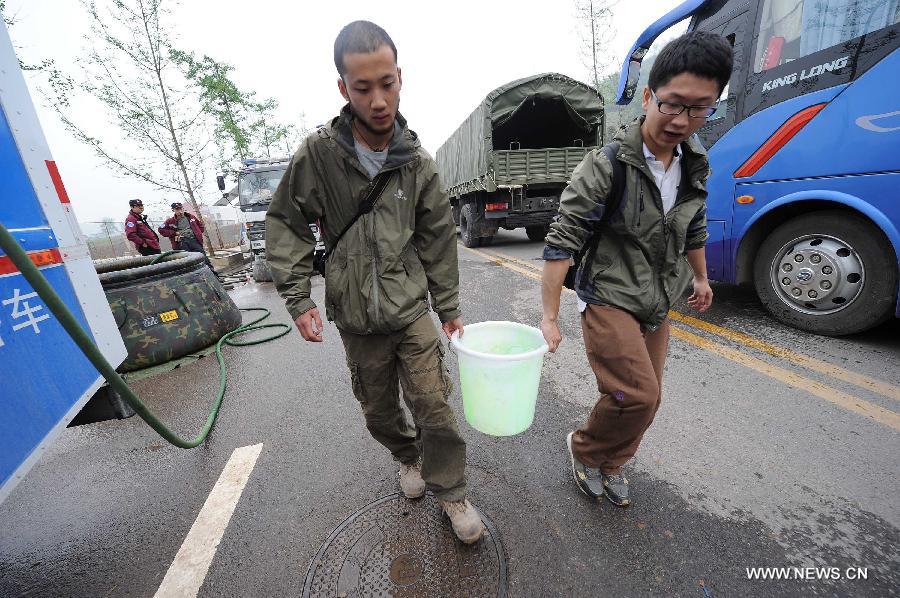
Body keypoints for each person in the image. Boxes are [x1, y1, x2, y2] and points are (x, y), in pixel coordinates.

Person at [266, 21, 484, 544]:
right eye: (363, 88)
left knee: (434, 404)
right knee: (379, 409)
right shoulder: (317, 155)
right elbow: (287, 222)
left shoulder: (417, 164)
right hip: (357, 316)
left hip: (411, 309)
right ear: (343, 88)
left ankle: (451, 491)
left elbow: (437, 239)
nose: (379, 99)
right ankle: (406, 456)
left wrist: (448, 305)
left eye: (387, 83)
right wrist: (298, 298)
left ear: (400, 78)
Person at [540, 31, 733, 507]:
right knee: (636, 394)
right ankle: (584, 449)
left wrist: (702, 278)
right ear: (648, 96)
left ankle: (611, 463)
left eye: (699, 108)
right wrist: (548, 315)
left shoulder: (694, 163)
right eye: (672, 104)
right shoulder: (607, 165)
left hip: (657, 297)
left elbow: (694, 228)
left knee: (647, 398)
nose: (682, 120)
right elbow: (563, 239)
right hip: (608, 293)